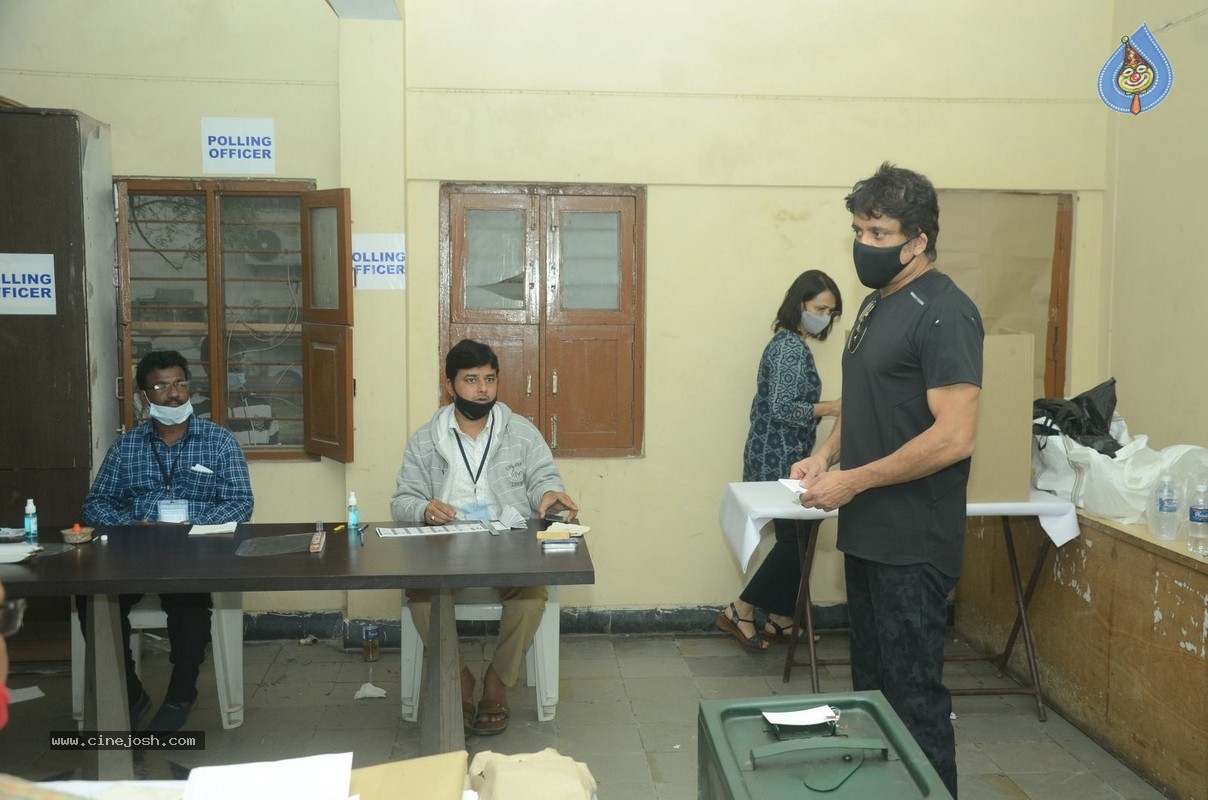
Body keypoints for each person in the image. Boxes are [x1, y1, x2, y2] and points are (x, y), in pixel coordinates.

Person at [791, 163, 983, 797]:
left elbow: (954, 435)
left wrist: (854, 482)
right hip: (868, 532)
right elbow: (868, 399)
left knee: (914, 699)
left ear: (918, 239)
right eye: (858, 230)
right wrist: (827, 458)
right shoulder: (878, 303)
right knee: (871, 696)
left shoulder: (947, 312)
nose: (863, 245)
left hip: (913, 540)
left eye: (878, 232)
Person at [390, 339, 578, 737]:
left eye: (489, 380)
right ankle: (459, 680)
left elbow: (544, 479)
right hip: (445, 547)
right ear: (450, 386)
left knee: (531, 598)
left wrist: (548, 495)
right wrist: (424, 509)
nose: (482, 390)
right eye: (471, 380)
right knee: (421, 600)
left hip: (507, 545)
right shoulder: (426, 440)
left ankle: (496, 682)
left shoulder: (522, 433)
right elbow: (402, 500)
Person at [80, 350, 254, 732]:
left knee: (188, 603)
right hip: (133, 552)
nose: (173, 394)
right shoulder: (126, 447)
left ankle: (180, 692)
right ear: (145, 396)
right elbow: (95, 504)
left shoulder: (219, 441)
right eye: (161, 386)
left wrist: (189, 525)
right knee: (89, 597)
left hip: (196, 551)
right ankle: (129, 691)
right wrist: (131, 525)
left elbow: (241, 503)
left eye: (179, 384)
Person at [717, 270, 842, 652]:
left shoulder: (792, 343)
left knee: (797, 539)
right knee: (794, 542)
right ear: (799, 305)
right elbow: (783, 407)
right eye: (819, 308)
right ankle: (741, 609)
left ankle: (780, 617)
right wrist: (834, 407)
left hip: (782, 452)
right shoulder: (788, 347)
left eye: (830, 312)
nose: (825, 317)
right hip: (778, 454)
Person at [193, 336, 281, 446]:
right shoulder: (193, 410)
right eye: (232, 359)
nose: (239, 364)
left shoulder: (263, 406)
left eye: (240, 358)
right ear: (207, 367)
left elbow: (274, 452)